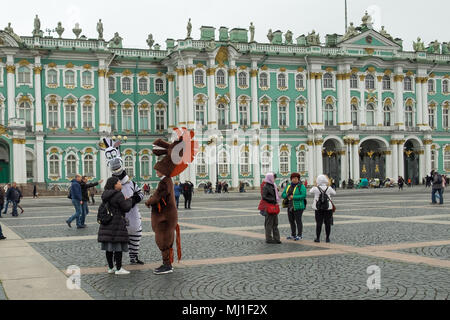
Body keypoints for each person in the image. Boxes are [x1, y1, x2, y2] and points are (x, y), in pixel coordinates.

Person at [98, 176, 133, 275]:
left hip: (107, 223)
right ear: (114, 185)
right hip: (116, 223)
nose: (120, 184)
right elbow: (126, 207)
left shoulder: (105, 194)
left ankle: (110, 268)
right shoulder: (118, 194)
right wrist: (129, 200)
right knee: (118, 247)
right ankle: (119, 268)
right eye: (118, 182)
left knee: (109, 247)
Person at [310, 174, 336, 243]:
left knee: (319, 223)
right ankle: (327, 238)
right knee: (328, 223)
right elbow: (334, 193)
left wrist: (316, 186)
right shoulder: (329, 188)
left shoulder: (315, 188)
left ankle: (318, 238)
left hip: (318, 207)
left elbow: (310, 192)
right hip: (328, 207)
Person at [282, 172, 307, 241]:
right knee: (291, 221)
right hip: (290, 206)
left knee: (298, 221)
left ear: (298, 179)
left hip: (298, 206)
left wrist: (294, 197)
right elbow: (283, 194)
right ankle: (293, 234)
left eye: (296, 178)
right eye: (293, 178)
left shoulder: (301, 186)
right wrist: (287, 197)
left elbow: (303, 195)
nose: (294, 179)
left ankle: (299, 235)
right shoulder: (288, 185)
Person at [258, 172, 281, 244]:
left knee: (275, 223)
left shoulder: (273, 185)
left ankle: (277, 238)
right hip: (269, 207)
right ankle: (269, 239)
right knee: (269, 224)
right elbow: (264, 197)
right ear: (270, 178)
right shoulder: (266, 186)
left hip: (274, 206)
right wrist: (272, 200)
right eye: (273, 178)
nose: (274, 179)